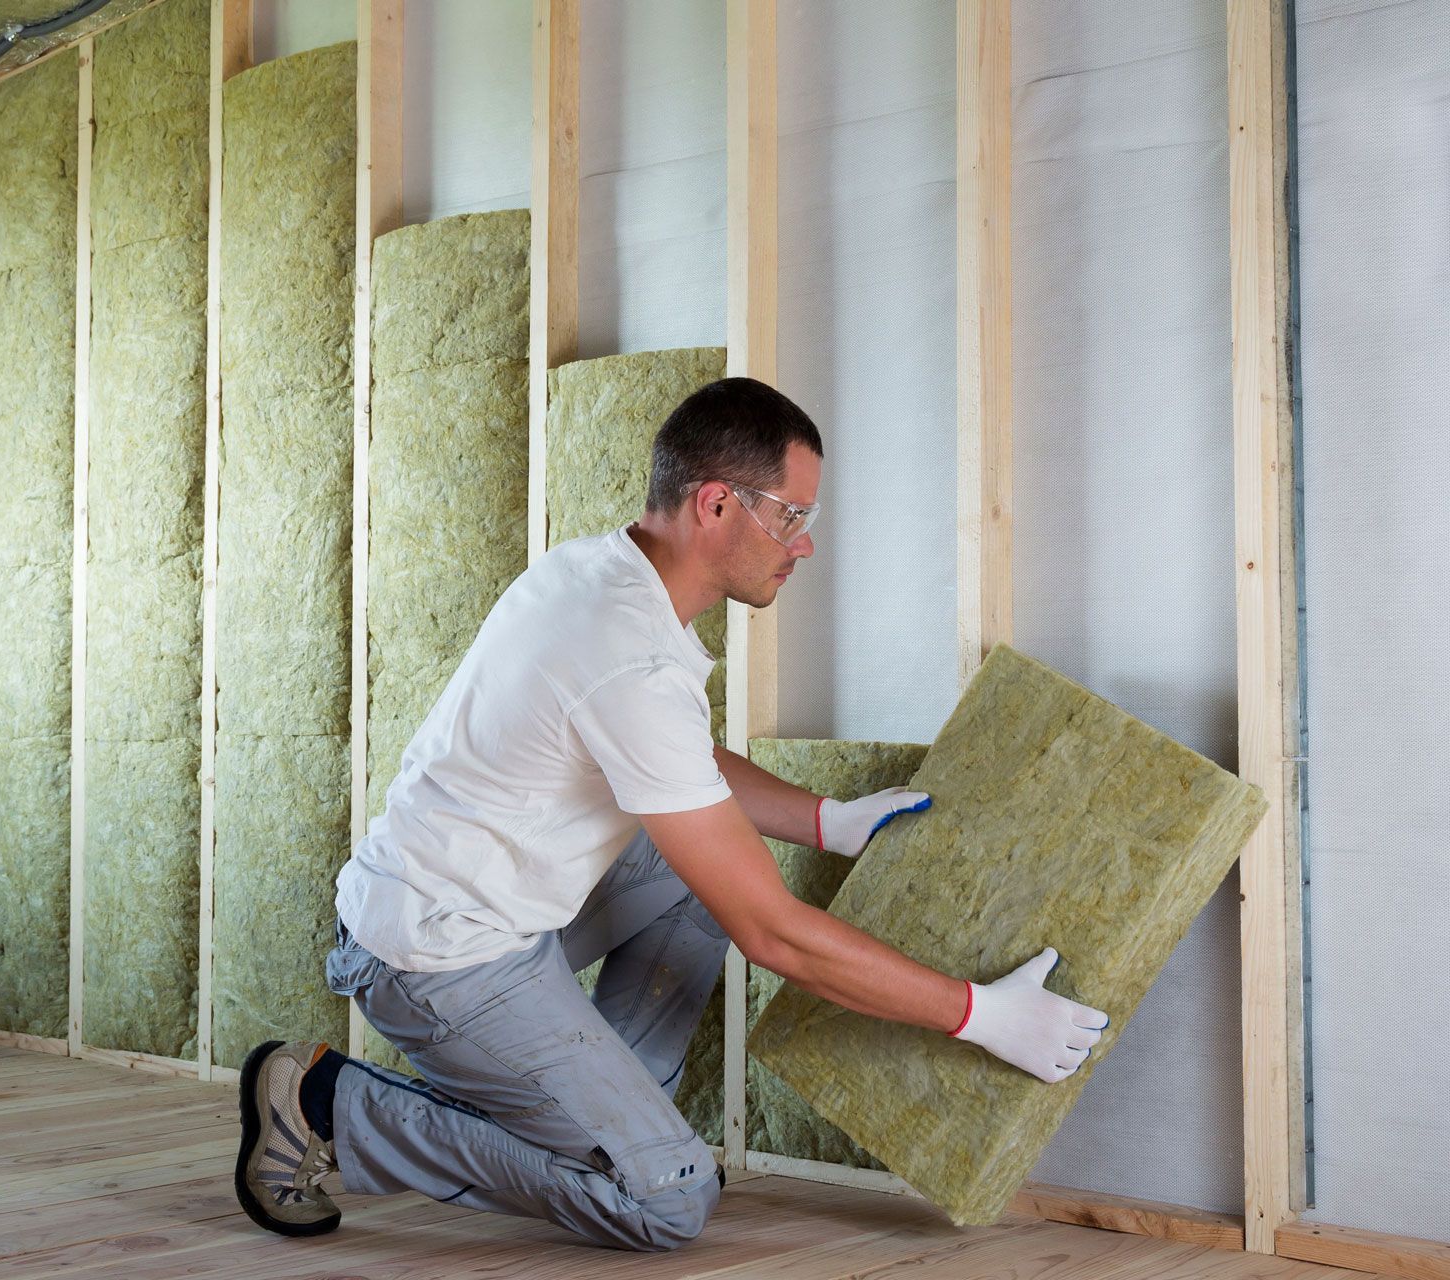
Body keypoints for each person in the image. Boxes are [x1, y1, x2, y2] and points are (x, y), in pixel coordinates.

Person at [231, 377, 1109, 1251]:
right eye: (792, 517)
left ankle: (612, 1125)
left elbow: (680, 766)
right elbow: (776, 935)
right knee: (666, 1203)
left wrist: (825, 818)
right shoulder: (627, 653)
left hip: (482, 903)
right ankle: (324, 1104)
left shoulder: (606, 572)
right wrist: (978, 1015)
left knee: (695, 876)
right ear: (718, 504)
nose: (803, 546)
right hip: (435, 957)